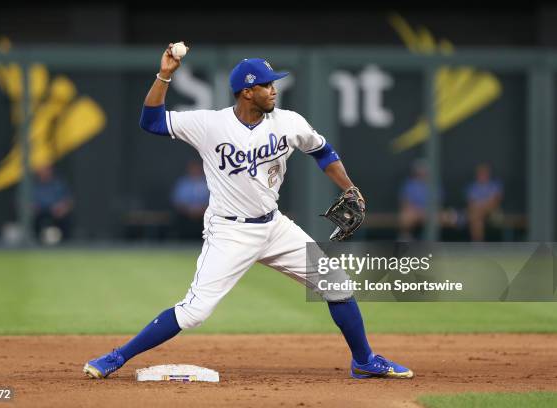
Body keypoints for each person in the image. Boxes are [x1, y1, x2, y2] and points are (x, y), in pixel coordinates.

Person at [83, 43, 413, 380]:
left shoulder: (288, 121)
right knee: (195, 312)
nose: (274, 90)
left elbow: (323, 151)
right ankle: (116, 357)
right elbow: (150, 121)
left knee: (337, 284)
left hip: (275, 227)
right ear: (247, 92)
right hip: (230, 232)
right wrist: (164, 76)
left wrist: (349, 188)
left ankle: (364, 360)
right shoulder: (210, 124)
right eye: (267, 85)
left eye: (273, 84)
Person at [32, 165, 73, 243]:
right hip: (39, 213)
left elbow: (69, 200)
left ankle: (66, 244)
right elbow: (26, 202)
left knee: (65, 218)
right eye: (42, 170)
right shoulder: (33, 185)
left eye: (47, 170)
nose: (45, 172)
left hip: (56, 212)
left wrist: (62, 207)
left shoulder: (58, 184)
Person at [170, 160, 210, 240]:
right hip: (186, 215)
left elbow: (214, 200)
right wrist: (190, 210)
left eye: (197, 168)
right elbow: (177, 201)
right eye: (193, 168)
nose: (195, 170)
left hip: (204, 214)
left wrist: (201, 210)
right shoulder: (183, 183)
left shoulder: (208, 182)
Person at [466, 163, 503, 241]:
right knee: (477, 218)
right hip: (477, 213)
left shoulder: (494, 185)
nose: (482, 175)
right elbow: (471, 203)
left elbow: (495, 202)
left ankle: (477, 245)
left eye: (484, 173)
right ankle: (478, 245)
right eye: (480, 173)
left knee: (475, 215)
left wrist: (482, 206)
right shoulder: (473, 187)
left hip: (494, 213)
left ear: (488, 174)